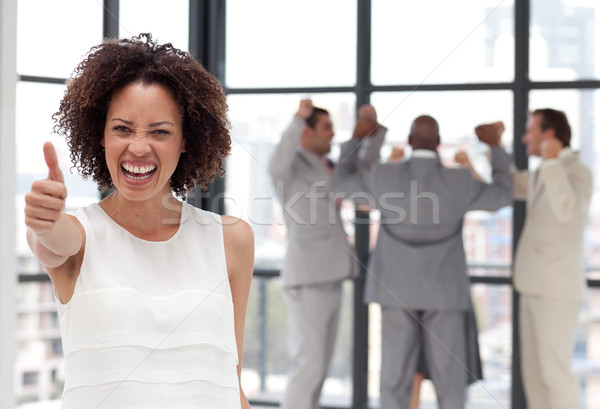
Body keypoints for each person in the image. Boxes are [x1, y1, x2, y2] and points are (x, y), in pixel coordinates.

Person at [24, 33, 253, 409]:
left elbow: (231, 382)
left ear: (185, 140)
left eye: (160, 131)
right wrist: (44, 223)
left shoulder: (231, 240)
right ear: (100, 135)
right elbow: (52, 242)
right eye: (122, 128)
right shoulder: (80, 237)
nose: (139, 147)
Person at [335, 114, 512, 409]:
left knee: (394, 380)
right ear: (439, 143)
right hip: (444, 292)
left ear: (411, 141)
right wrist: (495, 147)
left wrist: (359, 138)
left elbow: (340, 184)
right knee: (450, 383)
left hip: (394, 289)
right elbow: (503, 194)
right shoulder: (460, 180)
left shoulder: (385, 175)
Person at [268, 100, 385, 409]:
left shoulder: (329, 166)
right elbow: (275, 161)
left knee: (319, 368)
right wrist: (297, 119)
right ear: (307, 132)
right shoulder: (290, 167)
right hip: (308, 277)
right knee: (308, 367)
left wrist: (370, 135)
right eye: (327, 128)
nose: (333, 134)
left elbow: (362, 169)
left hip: (332, 273)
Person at [512, 109, 592, 409]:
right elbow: (512, 184)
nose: (524, 138)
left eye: (529, 130)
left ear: (548, 135)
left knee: (555, 377)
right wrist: (491, 150)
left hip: (556, 293)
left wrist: (553, 162)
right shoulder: (541, 172)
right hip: (532, 286)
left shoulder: (576, 170)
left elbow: (569, 211)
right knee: (533, 378)